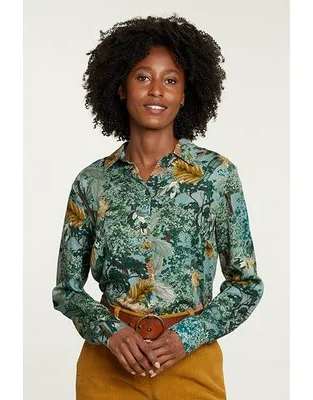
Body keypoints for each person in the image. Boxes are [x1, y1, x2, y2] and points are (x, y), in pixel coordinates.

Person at [52, 14, 264, 400]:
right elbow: (66, 289)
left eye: (170, 81)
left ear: (184, 94)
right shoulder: (91, 182)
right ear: (121, 88)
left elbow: (246, 284)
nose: (156, 91)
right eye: (143, 77)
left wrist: (188, 336)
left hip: (191, 364)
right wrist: (110, 331)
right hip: (108, 368)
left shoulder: (217, 175)